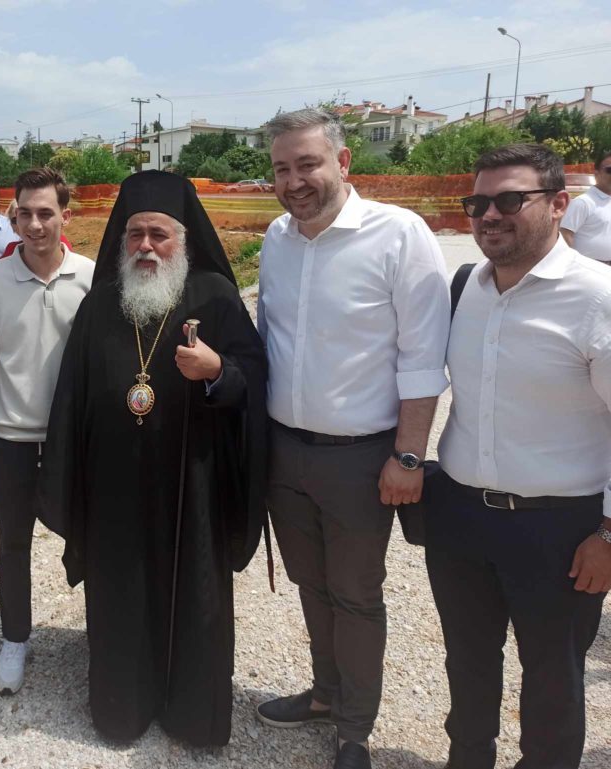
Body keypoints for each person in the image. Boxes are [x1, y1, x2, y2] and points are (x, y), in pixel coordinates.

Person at [39, 170, 268, 746]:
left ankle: (193, 716)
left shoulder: (215, 296)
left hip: (194, 484)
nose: (146, 246)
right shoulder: (101, 304)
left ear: (182, 240)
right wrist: (68, 477)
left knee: (198, 597)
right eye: (135, 234)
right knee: (119, 591)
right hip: (114, 483)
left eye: (158, 234)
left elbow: (255, 378)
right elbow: (71, 395)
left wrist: (218, 371)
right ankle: (123, 707)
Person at [255, 109, 450, 769]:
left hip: (362, 459)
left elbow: (423, 357)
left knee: (356, 594)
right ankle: (325, 693)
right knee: (311, 584)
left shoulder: (399, 235)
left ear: (343, 162)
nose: (294, 180)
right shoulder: (277, 239)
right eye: (282, 168)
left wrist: (408, 455)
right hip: (285, 451)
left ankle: (355, 729)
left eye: (307, 164)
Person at [428, 143, 611, 769]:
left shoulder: (598, 298)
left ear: (559, 205)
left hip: (559, 529)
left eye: (510, 200)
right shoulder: (465, 287)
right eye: (477, 202)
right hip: (460, 516)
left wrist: (609, 534)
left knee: (554, 675)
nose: (489, 215)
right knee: (467, 659)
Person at [0, 167, 94, 694]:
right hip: (14, 439)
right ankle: (15, 638)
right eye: (25, 214)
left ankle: (103, 634)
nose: (35, 224)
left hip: (75, 440)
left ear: (67, 216)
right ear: (13, 216)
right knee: (12, 543)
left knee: (92, 539)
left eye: (46, 213)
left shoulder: (93, 279)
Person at [560, 149, 611, 264]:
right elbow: (565, 234)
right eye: (610, 170)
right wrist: (572, 264)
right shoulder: (583, 202)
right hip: (588, 266)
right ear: (596, 174)